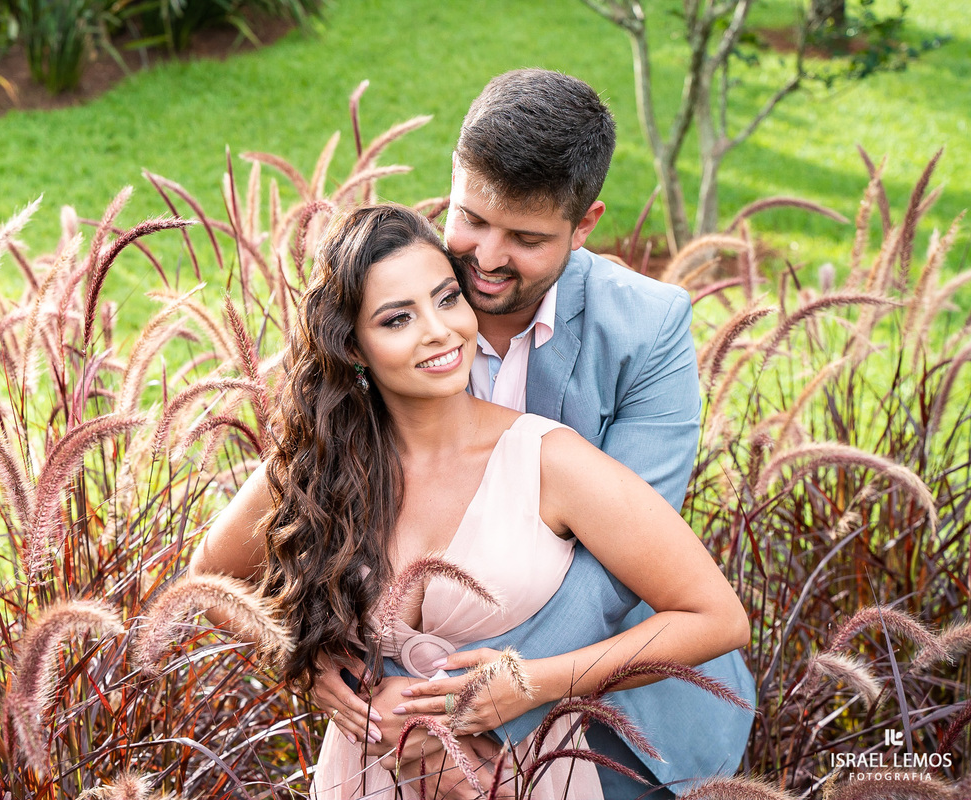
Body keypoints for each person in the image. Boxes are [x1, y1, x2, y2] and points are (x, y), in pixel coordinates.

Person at [188, 203, 750, 799]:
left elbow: (717, 617)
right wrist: (319, 671)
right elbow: (210, 580)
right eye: (397, 319)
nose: (438, 330)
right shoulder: (318, 464)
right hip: (367, 776)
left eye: (447, 298)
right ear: (353, 347)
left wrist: (530, 683)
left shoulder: (548, 461)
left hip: (523, 778)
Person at [310, 70, 757, 799]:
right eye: (472, 219)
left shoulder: (648, 330)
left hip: (615, 710)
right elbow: (306, 491)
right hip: (396, 727)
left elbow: (608, 574)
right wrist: (321, 661)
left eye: (525, 238)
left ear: (585, 226)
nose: (485, 257)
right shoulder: (390, 295)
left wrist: (489, 716)